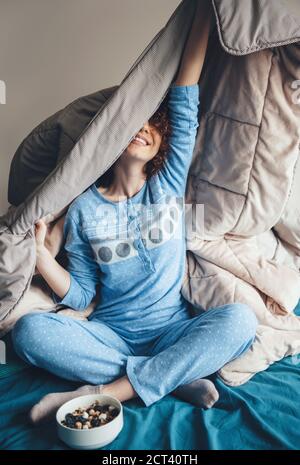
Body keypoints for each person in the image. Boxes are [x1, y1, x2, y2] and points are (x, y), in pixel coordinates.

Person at [12, 0, 257, 424]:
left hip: (172, 330)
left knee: (240, 321)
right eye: (134, 122)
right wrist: (41, 258)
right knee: (28, 333)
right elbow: (83, 294)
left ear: (163, 145)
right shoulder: (85, 207)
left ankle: (108, 392)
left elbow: (184, 99)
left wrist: (201, 15)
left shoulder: (166, 185)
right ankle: (170, 378)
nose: (144, 127)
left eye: (152, 125)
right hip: (112, 334)